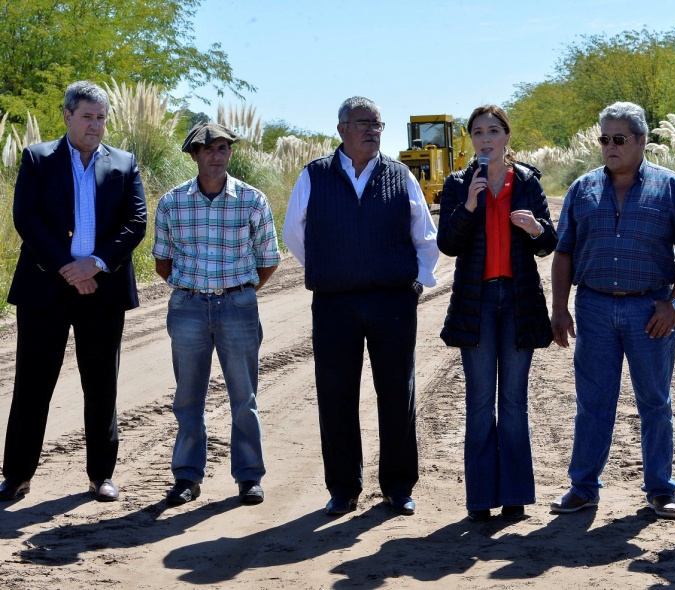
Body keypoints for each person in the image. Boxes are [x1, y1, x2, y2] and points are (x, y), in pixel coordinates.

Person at [282, 96, 438, 517]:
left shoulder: (399, 174)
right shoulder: (314, 175)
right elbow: (294, 233)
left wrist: (418, 284)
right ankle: (343, 489)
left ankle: (398, 487)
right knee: (335, 395)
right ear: (341, 129)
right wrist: (331, 270)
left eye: (377, 124)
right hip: (334, 304)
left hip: (392, 302)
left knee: (396, 394)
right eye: (363, 123)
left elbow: (424, 234)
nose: (372, 130)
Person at [549, 102, 675, 520]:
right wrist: (559, 308)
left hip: (650, 309)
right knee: (593, 402)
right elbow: (563, 253)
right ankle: (583, 487)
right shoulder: (582, 189)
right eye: (604, 139)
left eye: (619, 139)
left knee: (655, 401)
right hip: (594, 307)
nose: (610, 147)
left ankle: (661, 489)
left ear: (641, 141)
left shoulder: (671, 188)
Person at [0, 81, 147, 502]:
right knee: (32, 383)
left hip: (102, 289)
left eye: (101, 118)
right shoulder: (38, 158)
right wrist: (68, 268)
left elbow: (135, 223)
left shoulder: (124, 163)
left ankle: (101, 475)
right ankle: (17, 475)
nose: (95, 125)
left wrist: (95, 264)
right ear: (67, 116)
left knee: (101, 385)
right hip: (46, 287)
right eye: (87, 116)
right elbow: (26, 218)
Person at [437, 105, 557, 522]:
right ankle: (480, 500)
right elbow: (448, 246)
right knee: (479, 401)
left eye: (493, 131)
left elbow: (549, 243)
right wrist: (468, 206)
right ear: (472, 140)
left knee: (513, 402)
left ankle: (516, 497)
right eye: (478, 132)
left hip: (518, 299)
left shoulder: (526, 182)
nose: (486, 139)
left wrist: (536, 229)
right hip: (478, 302)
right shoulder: (457, 184)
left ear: (506, 136)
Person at [153, 122, 280, 505]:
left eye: (223, 148)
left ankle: (248, 477)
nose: (216, 155)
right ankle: (187, 477)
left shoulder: (252, 200)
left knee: (244, 396)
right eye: (208, 149)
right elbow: (162, 260)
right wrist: (196, 289)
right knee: (188, 396)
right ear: (194, 155)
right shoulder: (172, 202)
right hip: (188, 306)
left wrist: (238, 291)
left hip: (237, 306)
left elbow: (268, 260)